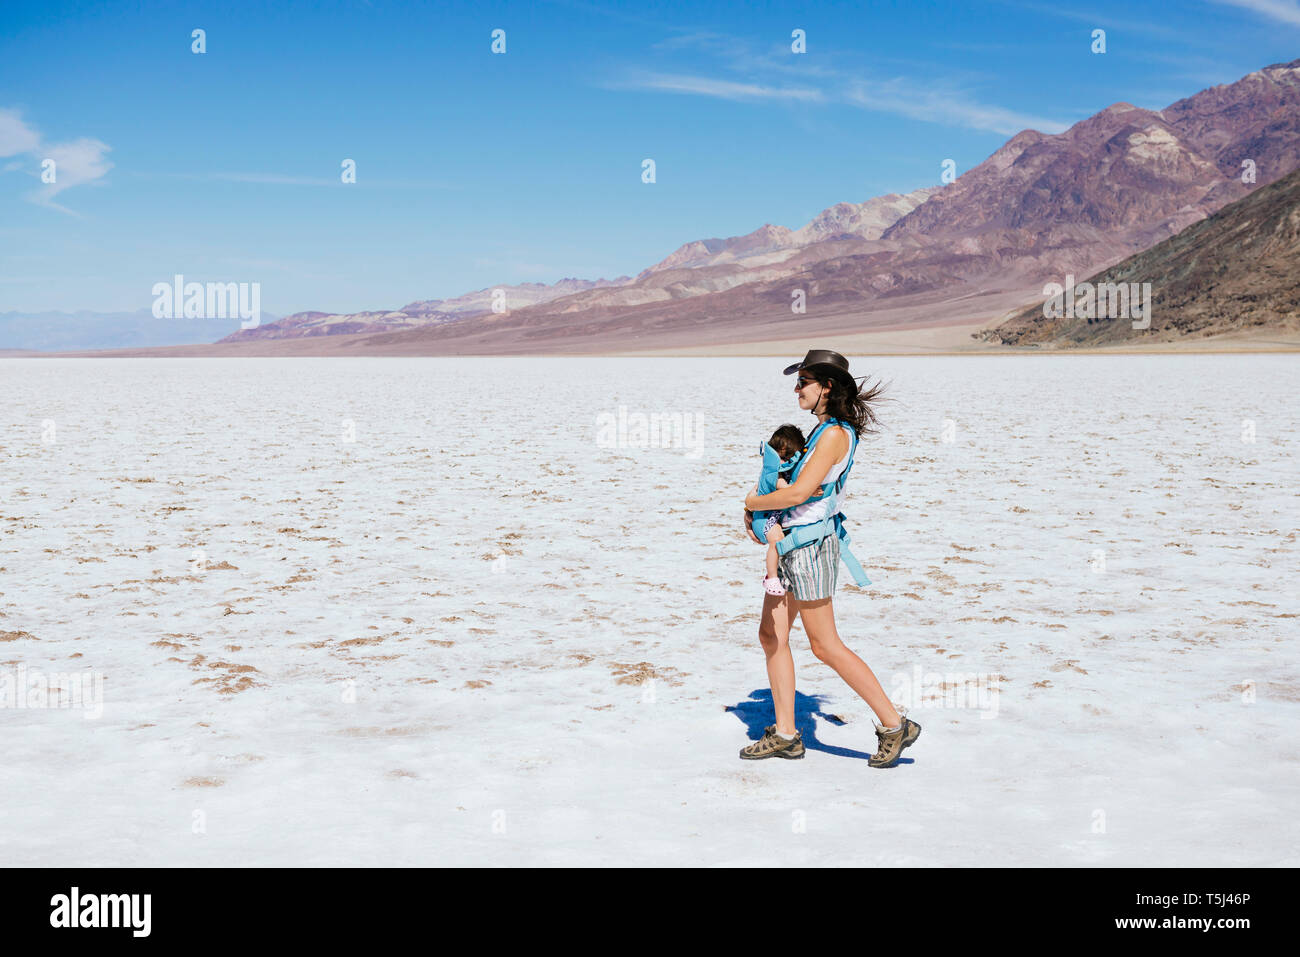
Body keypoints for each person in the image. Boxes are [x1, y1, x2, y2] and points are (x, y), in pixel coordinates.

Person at [740, 349, 921, 768]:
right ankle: (786, 733)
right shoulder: (820, 431)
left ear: (827, 388)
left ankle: (896, 726)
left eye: (803, 381)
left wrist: (751, 500)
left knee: (824, 645)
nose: (797, 389)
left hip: (810, 549)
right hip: (789, 546)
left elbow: (800, 493)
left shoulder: (835, 435)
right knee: (772, 636)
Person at [758, 424, 806, 597]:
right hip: (763, 519)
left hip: (767, 514)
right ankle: (771, 577)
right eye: (780, 456)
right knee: (776, 539)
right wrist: (805, 489)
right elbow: (785, 489)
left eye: (787, 457)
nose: (783, 462)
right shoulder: (773, 474)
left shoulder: (777, 469)